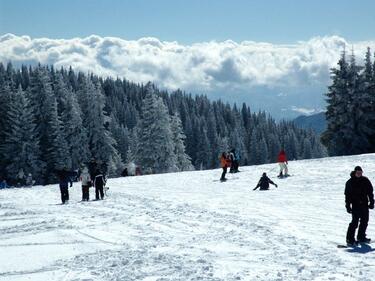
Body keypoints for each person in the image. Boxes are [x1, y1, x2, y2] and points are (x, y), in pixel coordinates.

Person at [345, 166, 374, 246]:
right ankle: (350, 239)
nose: (359, 174)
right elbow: (347, 196)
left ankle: (361, 237)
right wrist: (348, 206)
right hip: (355, 205)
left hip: (364, 204)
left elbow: (370, 192)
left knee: (365, 221)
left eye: (361, 173)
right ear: (355, 172)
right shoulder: (350, 182)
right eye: (358, 173)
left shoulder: (365, 180)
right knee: (354, 222)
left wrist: (372, 202)